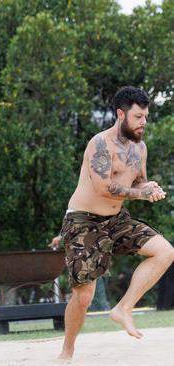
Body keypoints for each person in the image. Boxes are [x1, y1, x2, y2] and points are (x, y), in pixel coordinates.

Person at [57, 86, 174, 360]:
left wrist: (149, 187)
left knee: (165, 251)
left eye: (146, 116)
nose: (144, 122)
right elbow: (102, 188)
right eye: (138, 116)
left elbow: (137, 182)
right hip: (83, 221)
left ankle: (124, 308)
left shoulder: (140, 148)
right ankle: (67, 350)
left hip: (115, 219)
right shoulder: (100, 144)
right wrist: (139, 194)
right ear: (121, 114)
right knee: (84, 296)